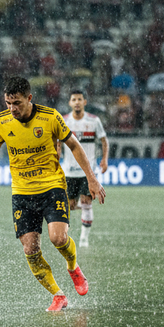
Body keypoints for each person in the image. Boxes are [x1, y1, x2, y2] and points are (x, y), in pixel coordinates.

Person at [0, 76, 105, 312]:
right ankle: (58, 295)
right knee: (30, 249)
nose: (12, 108)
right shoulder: (2, 121)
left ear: (29, 98)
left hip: (52, 187)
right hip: (21, 192)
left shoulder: (50, 117)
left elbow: (75, 145)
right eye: (8, 103)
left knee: (58, 239)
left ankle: (73, 267)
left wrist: (91, 178)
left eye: (16, 103)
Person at [58, 91, 108, 248]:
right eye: (74, 99)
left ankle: (84, 239)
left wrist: (105, 159)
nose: (77, 102)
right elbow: (58, 142)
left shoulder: (94, 121)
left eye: (80, 99)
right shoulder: (64, 120)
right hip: (69, 171)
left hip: (88, 172)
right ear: (69, 103)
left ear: (85, 102)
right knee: (70, 206)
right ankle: (82, 206)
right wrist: (56, 156)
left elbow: (104, 140)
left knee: (86, 202)